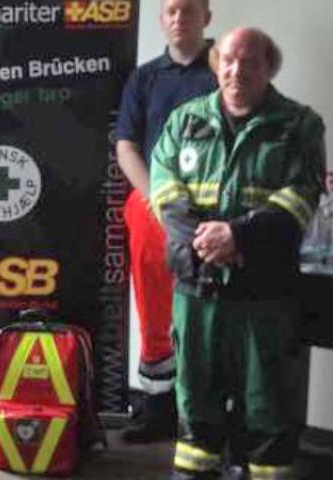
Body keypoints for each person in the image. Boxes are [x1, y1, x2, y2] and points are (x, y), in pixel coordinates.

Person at [150, 28, 326, 480]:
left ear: (269, 68)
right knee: (195, 396)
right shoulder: (184, 121)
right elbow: (164, 192)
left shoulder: (300, 125)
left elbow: (299, 199)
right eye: (228, 59)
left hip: (263, 292)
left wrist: (238, 237)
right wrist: (210, 242)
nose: (237, 70)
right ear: (216, 64)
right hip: (196, 285)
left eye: (250, 61)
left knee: (266, 400)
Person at [115, 0, 217, 443]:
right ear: (161, 19)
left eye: (188, 10)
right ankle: (157, 408)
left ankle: (206, 416)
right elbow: (126, 146)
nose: (179, 18)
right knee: (154, 309)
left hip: (213, 210)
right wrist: (157, 200)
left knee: (210, 314)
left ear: (206, 17)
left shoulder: (226, 69)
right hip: (153, 207)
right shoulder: (144, 78)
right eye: (171, 11)